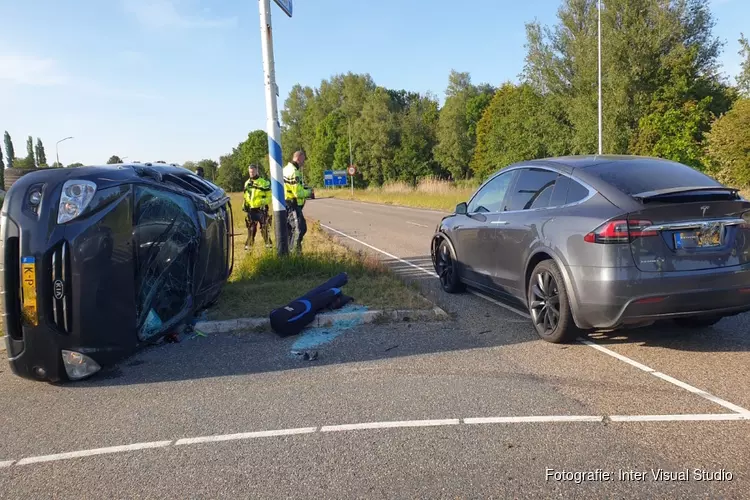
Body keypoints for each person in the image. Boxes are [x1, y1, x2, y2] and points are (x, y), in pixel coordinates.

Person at [283, 150, 311, 253]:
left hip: (287, 203)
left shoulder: (285, 169)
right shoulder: (294, 172)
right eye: (303, 161)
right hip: (292, 204)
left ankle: (294, 251)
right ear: (298, 158)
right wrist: (308, 192)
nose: (303, 163)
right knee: (299, 229)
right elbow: (297, 192)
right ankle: (294, 253)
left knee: (292, 230)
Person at [243, 164, 272, 250]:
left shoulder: (263, 182)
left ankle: (269, 249)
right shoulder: (247, 183)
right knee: (251, 230)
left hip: (261, 210)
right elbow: (245, 196)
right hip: (251, 210)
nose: (251, 173)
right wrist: (245, 205)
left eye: (253, 172)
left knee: (265, 230)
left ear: (256, 171)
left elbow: (269, 197)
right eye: (250, 172)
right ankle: (248, 251)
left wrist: (261, 202)